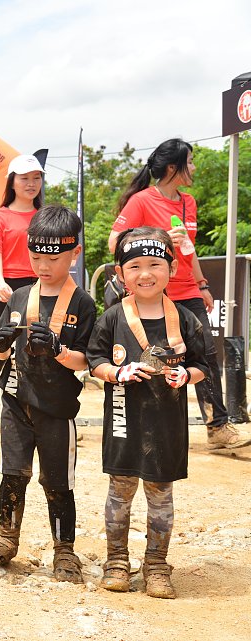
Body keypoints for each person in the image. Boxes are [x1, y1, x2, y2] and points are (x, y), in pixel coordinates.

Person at [0, 206, 96, 584]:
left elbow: (86, 361)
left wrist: (58, 349)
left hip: (56, 409)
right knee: (12, 474)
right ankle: (6, 538)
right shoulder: (19, 297)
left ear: (75, 253)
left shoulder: (82, 304)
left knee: (58, 481)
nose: (43, 266)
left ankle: (65, 551)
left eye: (53, 259)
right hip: (15, 402)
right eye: (36, 257)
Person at [88, 227, 209, 599]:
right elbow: (95, 361)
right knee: (120, 491)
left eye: (155, 265)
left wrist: (185, 375)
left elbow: (203, 365)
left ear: (172, 269)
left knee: (160, 494)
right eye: (135, 266)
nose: (145, 274)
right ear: (120, 273)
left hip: (167, 425)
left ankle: (156, 565)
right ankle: (116, 562)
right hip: (123, 419)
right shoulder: (112, 317)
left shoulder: (185, 319)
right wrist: (117, 372)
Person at [109, 138, 250, 450]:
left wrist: (202, 284)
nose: (194, 168)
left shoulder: (189, 202)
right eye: (191, 161)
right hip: (153, 294)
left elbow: (189, 249)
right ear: (173, 167)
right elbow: (114, 242)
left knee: (206, 355)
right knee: (153, 359)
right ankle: (145, 431)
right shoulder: (141, 201)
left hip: (187, 288)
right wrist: (156, 238)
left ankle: (218, 427)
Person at [0, 154, 44, 434]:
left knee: (41, 350)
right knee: (0, 350)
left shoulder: (46, 216)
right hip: (7, 288)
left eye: (36, 178)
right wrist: (1, 282)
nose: (31, 183)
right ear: (12, 182)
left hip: (41, 286)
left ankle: (45, 412)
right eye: (24, 178)